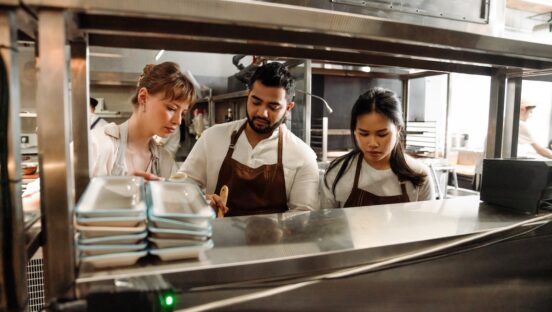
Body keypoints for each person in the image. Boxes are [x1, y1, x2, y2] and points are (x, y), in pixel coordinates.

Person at [179, 62, 319, 217]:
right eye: (256, 102)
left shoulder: (303, 156)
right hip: (218, 238)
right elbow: (183, 185)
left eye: (273, 107)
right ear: (248, 96)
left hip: (275, 240)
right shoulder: (213, 137)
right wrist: (202, 202)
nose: (262, 113)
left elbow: (304, 216)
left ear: (288, 108)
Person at [321, 87, 434, 209]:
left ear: (398, 129)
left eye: (382, 134)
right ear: (354, 131)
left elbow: (426, 225)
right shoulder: (338, 172)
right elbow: (325, 224)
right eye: (364, 134)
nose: (373, 143)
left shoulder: (419, 175)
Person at [90, 62, 195, 179]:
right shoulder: (97, 145)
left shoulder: (164, 161)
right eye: (171, 108)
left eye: (183, 113)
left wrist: (200, 197)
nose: (178, 121)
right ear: (143, 97)